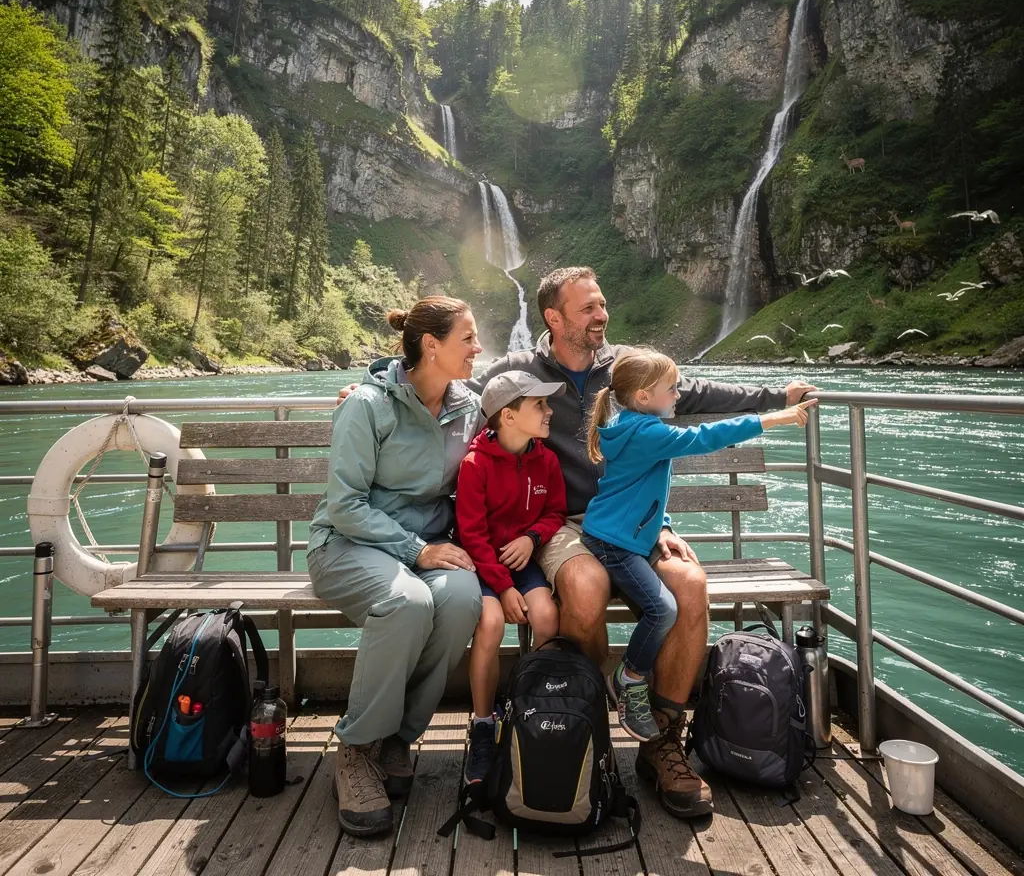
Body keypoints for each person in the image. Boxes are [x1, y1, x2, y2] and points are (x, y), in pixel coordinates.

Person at [337, 265, 817, 820]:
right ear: (554, 317)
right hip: (562, 524)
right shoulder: (521, 370)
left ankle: (663, 742)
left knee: (690, 584)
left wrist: (777, 393)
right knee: (584, 589)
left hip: (633, 521)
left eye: (602, 304)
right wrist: (376, 383)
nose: (601, 316)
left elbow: (700, 392)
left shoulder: (626, 369)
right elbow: (457, 386)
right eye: (588, 308)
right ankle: (586, 727)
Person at [308, 296, 486, 838]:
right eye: (468, 339)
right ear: (431, 346)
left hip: (426, 549)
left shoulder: (468, 407)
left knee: (460, 601)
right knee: (405, 602)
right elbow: (345, 506)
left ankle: (395, 739)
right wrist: (417, 551)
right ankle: (357, 750)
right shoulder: (367, 405)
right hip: (346, 545)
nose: (479, 349)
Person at [582, 348, 816, 741]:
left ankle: (635, 678)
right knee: (662, 609)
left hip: (623, 537)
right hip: (614, 544)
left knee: (667, 605)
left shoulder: (629, 423)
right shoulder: (646, 432)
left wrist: (664, 524)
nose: (678, 396)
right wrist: (772, 418)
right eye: (671, 389)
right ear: (642, 396)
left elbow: (639, 488)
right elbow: (705, 437)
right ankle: (630, 676)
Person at [455, 371, 567, 785]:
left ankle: (528, 711)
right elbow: (471, 534)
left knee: (546, 617)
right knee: (490, 623)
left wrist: (531, 537)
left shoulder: (547, 459)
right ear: (507, 416)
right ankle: (483, 723)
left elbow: (555, 512)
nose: (549, 410)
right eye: (539, 405)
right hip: (482, 565)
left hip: (524, 561)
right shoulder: (474, 464)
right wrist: (500, 587)